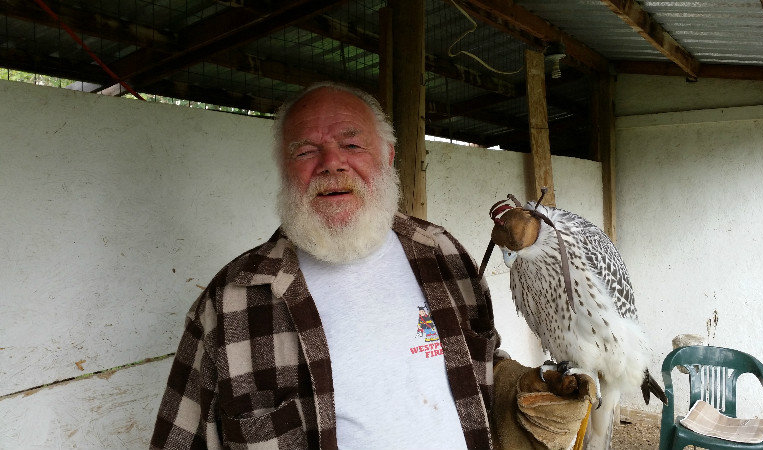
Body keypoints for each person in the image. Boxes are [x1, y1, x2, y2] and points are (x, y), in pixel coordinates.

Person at [150, 82, 594, 450]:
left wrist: (521, 387)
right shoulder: (231, 303)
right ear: (284, 169)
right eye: (305, 151)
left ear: (388, 156)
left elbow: (477, 359)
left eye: (352, 143)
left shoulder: (441, 253)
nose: (331, 163)